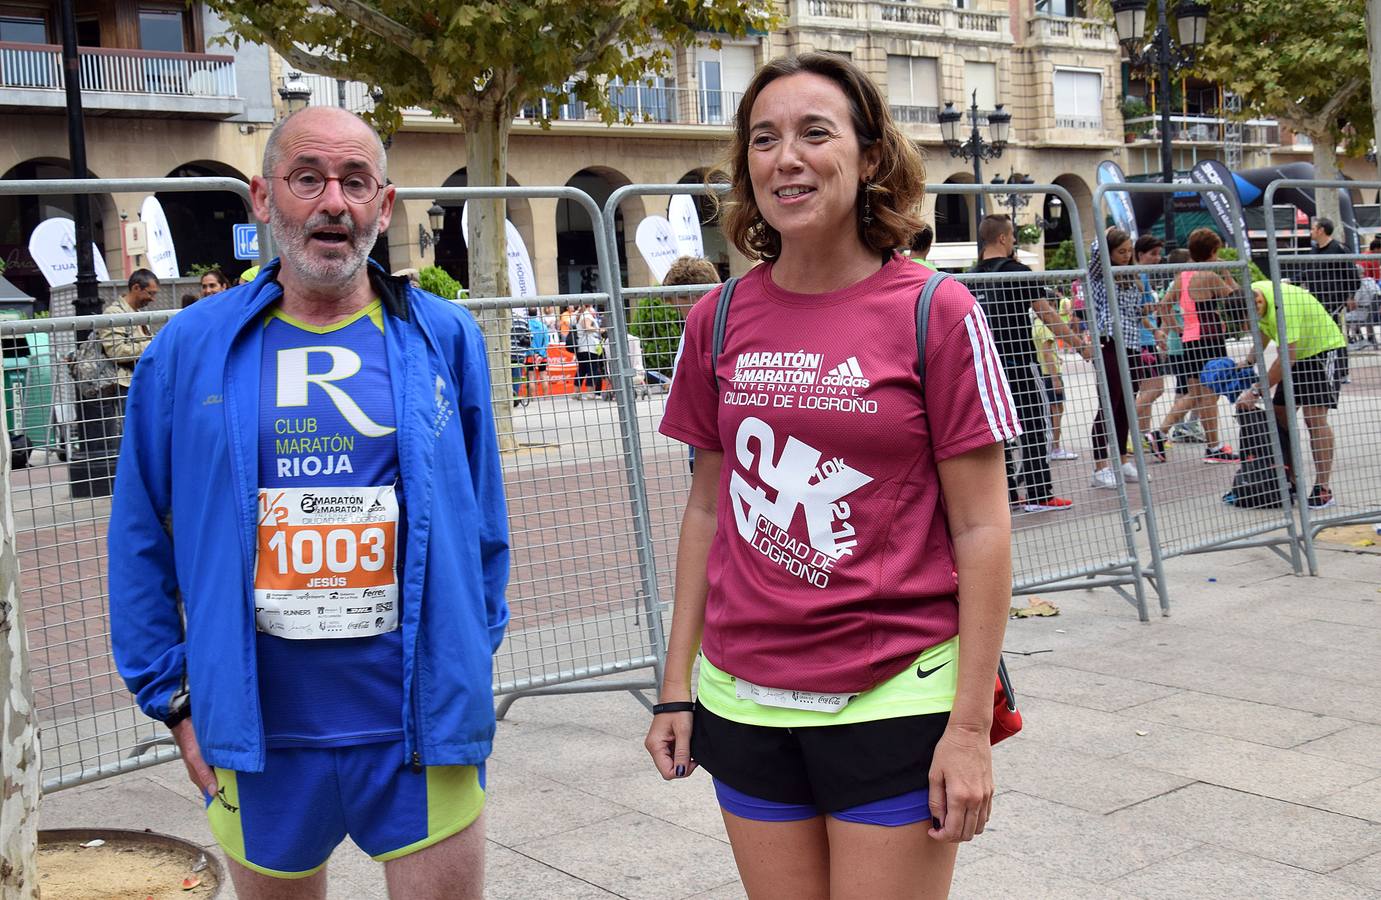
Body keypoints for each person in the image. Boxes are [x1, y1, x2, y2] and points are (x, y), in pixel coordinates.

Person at [108, 106, 509, 899]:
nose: (334, 202)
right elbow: (137, 540)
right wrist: (178, 702)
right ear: (262, 198)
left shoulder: (446, 337)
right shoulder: (187, 349)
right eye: (308, 179)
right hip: (259, 735)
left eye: (356, 182)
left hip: (416, 729)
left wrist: (466, 658)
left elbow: (483, 524)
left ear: (384, 206)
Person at [645, 52, 1015, 900]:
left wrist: (966, 729)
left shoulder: (937, 312)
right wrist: (675, 690)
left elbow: (982, 528)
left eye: (816, 132)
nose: (787, 157)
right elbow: (706, 511)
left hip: (893, 696)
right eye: (764, 138)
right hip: (741, 698)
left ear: (871, 156)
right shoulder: (718, 318)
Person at [970, 214, 1086, 511]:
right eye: (1012, 236)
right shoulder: (1017, 272)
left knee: (1000, 432)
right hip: (1020, 361)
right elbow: (1047, 314)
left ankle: (1008, 495)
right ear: (1003, 238)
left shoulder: (970, 276)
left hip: (986, 366)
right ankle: (1039, 493)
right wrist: (1080, 345)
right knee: (1035, 425)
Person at [1235, 281, 1346, 509]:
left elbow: (1287, 358)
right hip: (1297, 355)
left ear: (1258, 301)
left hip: (1322, 351)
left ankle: (1323, 489)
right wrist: (1248, 360)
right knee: (1279, 415)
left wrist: (1256, 390)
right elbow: (1263, 331)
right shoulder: (1254, 292)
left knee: (1314, 419)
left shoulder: (1282, 307)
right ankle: (1289, 480)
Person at [1144, 228, 1240, 465]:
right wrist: (1226, 271)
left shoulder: (1183, 275)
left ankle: (1160, 433)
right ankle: (1214, 447)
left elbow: (1164, 305)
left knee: (1196, 393)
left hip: (1190, 340)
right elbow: (1237, 298)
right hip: (1210, 339)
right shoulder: (1209, 275)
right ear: (1213, 251)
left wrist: (1176, 327)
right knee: (1209, 394)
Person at [1085, 228, 1151, 488]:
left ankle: (1123, 460)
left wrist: (1149, 312)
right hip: (1108, 342)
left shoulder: (1131, 275)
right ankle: (1100, 467)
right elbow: (1096, 255)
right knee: (1108, 405)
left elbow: (1136, 311)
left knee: (1126, 405)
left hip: (1132, 343)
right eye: (1120, 251)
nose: (1125, 256)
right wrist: (1105, 231)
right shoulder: (1101, 275)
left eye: (1128, 251)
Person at [1131, 235, 1168, 460]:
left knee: (1147, 390)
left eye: (1158, 254)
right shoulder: (1137, 273)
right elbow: (1139, 309)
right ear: (1140, 253)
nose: (1157, 258)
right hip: (1142, 340)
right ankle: (1124, 427)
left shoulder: (1140, 274)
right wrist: (1154, 329)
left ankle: (1142, 434)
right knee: (1155, 388)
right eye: (1152, 254)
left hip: (1145, 337)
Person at [99, 268, 159, 397]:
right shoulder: (114, 313)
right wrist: (151, 345)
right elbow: (116, 351)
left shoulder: (137, 314)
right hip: (121, 385)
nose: (153, 299)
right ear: (136, 288)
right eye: (150, 293)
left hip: (136, 381)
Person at [1032, 294, 1075, 461]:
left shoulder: (1035, 324)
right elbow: (1047, 352)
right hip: (1049, 374)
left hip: (1042, 372)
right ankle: (1055, 447)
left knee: (1051, 410)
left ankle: (1052, 446)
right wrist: (1055, 377)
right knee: (1056, 410)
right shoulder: (1045, 326)